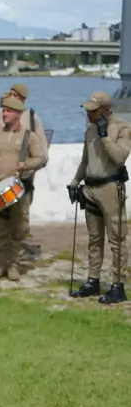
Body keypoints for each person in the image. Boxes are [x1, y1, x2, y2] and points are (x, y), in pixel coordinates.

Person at [68, 91, 131, 304]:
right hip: (91, 187)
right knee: (94, 239)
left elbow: (120, 158)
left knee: (117, 239)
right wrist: (75, 182)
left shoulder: (122, 127)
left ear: (105, 109)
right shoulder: (90, 129)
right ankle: (92, 280)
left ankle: (118, 284)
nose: (88, 114)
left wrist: (105, 137)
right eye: (87, 110)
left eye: (93, 110)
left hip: (110, 187)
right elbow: (85, 160)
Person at [0, 96, 46, 281]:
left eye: (8, 111)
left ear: (18, 114)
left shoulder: (28, 137)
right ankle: (0, 264)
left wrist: (28, 165)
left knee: (18, 227)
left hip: (20, 188)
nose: (4, 114)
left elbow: (40, 158)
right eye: (3, 111)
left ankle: (14, 264)